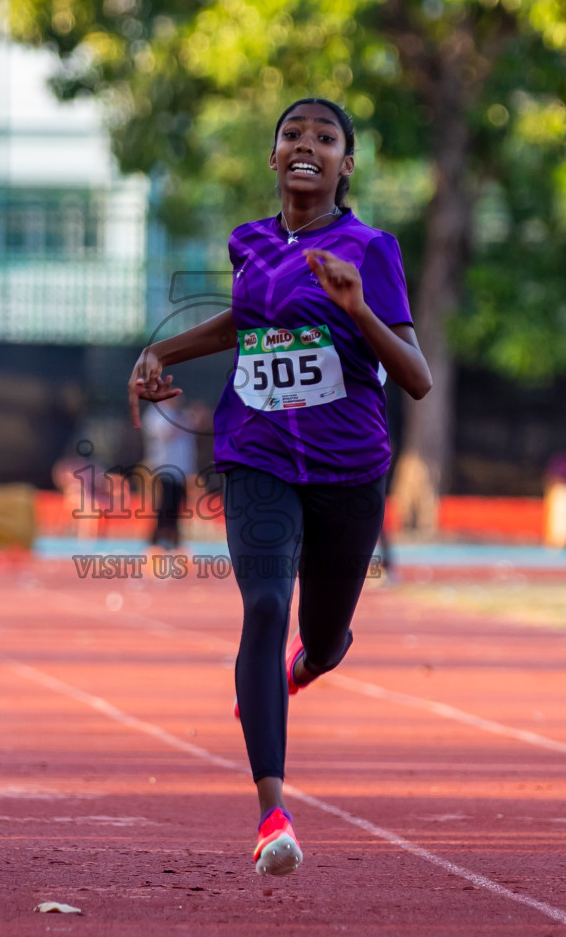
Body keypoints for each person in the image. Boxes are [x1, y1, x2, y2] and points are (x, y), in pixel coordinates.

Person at [127, 98, 431, 877]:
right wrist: (165, 350)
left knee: (325, 642)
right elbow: (245, 321)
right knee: (264, 604)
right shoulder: (250, 244)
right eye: (292, 135)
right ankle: (272, 813)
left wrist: (356, 307)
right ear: (273, 157)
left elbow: (418, 379)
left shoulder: (373, 249)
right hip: (257, 451)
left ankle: (302, 667)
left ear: (345, 164)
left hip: (348, 469)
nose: (307, 146)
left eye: (325, 138)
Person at [141, 397, 200, 550]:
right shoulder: (156, 414)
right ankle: (158, 538)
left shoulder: (178, 415)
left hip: (180, 469)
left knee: (176, 504)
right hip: (163, 467)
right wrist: (184, 420)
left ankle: (173, 538)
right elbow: (166, 434)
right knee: (164, 504)